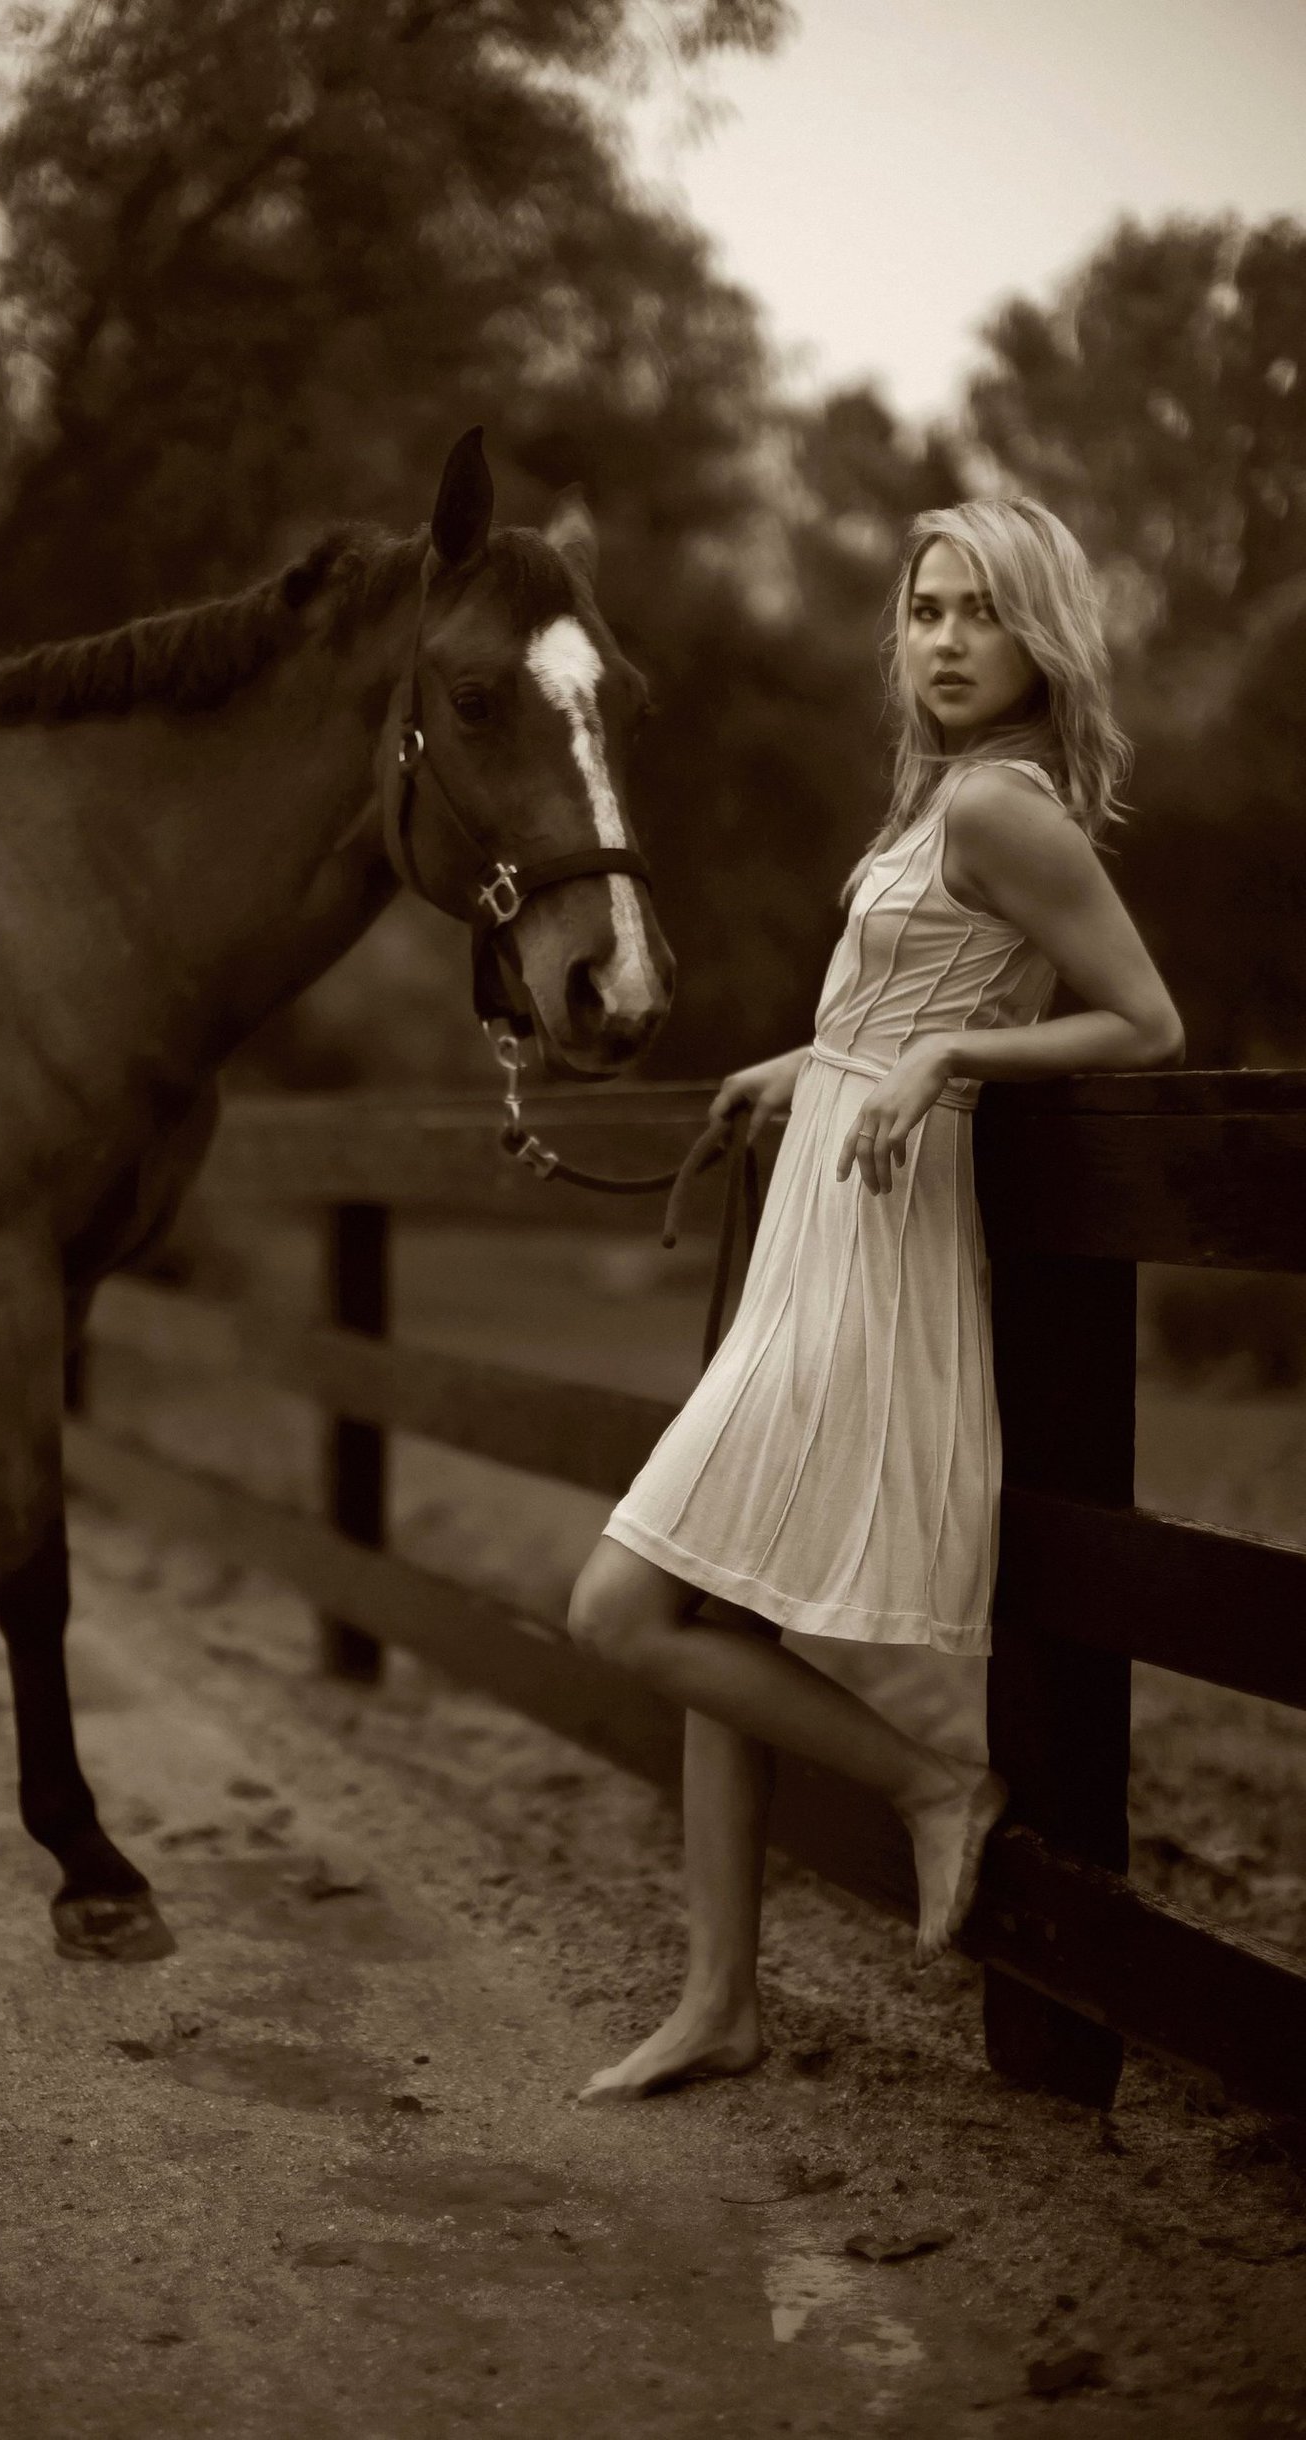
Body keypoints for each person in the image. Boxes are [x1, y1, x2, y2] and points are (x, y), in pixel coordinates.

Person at [566, 498, 1184, 2102]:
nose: (947, 641)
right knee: (707, 1599)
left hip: (876, 1251)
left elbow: (1145, 1023)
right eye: (924, 611)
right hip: (816, 1215)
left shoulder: (1005, 816)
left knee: (619, 1609)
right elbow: (898, 1003)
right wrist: (799, 1069)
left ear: (1039, 636)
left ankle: (931, 1790)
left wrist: (953, 1058)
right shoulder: (941, 807)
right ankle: (721, 2001)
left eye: (981, 612)